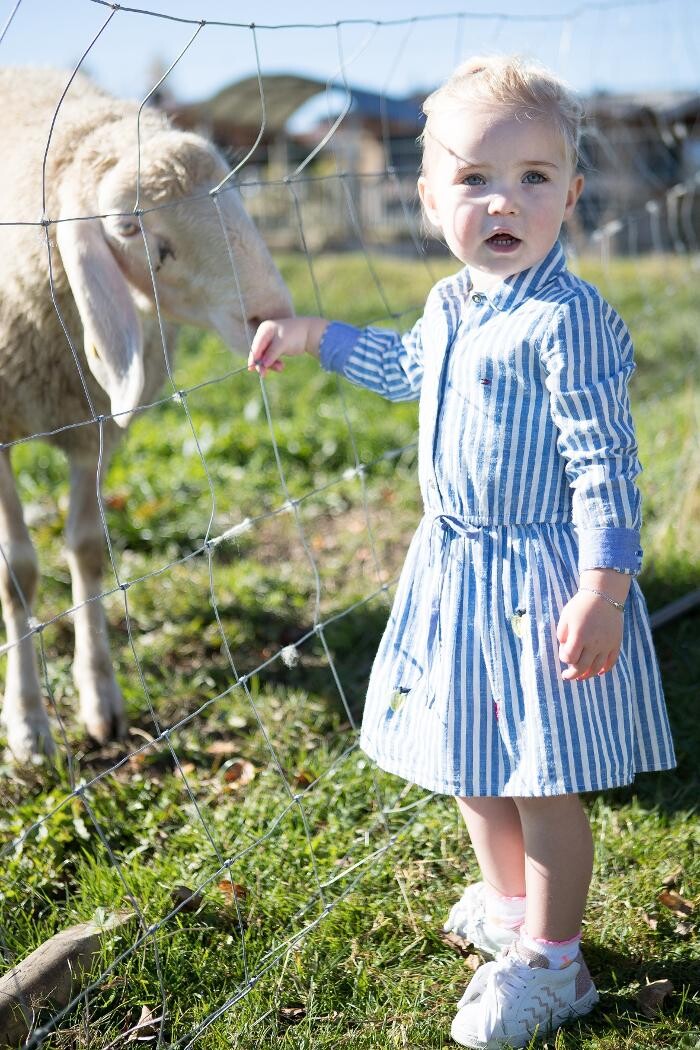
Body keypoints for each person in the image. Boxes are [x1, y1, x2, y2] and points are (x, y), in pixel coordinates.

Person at [248, 55, 676, 1049]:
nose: (502, 200)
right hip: (453, 574)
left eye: (533, 177)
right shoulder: (450, 305)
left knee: (538, 771)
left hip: (538, 580)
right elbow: (406, 366)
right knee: (470, 759)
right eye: (474, 178)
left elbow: (603, 461)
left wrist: (604, 587)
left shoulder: (567, 324)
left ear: (570, 196)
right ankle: (507, 901)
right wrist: (316, 334)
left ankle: (556, 962)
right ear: (430, 194)